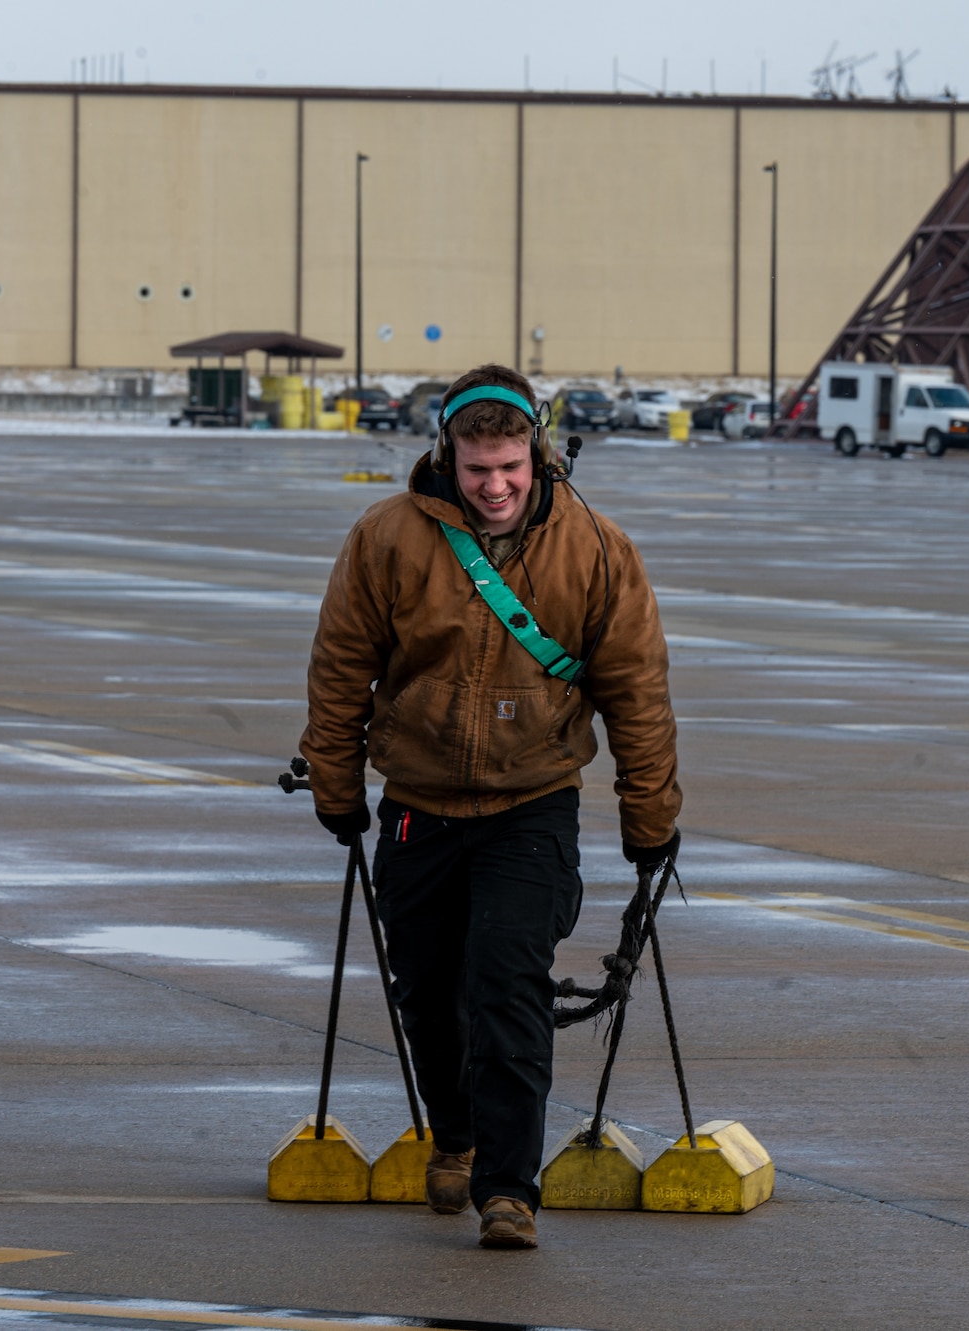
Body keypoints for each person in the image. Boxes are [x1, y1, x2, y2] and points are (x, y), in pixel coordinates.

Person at [301, 364, 681, 1249]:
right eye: (478, 470)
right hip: (416, 807)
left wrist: (650, 817)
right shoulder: (386, 538)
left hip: (532, 804)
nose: (496, 485)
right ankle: (459, 1138)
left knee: (507, 984)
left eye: (511, 466)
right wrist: (334, 786)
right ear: (448, 455)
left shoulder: (595, 546)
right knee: (430, 994)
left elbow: (638, 692)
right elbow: (338, 668)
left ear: (539, 455)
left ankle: (509, 1189)